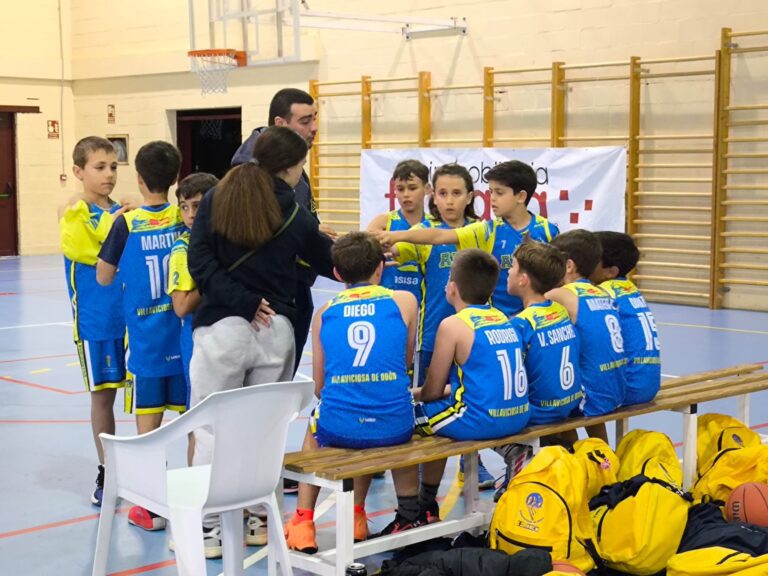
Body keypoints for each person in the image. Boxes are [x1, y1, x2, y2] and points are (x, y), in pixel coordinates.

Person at [188, 126, 335, 557]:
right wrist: (371, 253)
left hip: (222, 332)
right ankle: (256, 520)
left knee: (212, 432)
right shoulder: (295, 210)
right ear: (291, 167)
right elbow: (330, 261)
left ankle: (209, 529)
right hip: (277, 330)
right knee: (263, 433)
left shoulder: (218, 195)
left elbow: (200, 259)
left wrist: (240, 300)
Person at [285, 232, 418, 554]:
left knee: (319, 421)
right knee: (374, 405)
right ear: (381, 268)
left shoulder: (325, 312)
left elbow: (319, 386)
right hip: (395, 427)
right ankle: (357, 514)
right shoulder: (404, 301)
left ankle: (303, 521)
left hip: (340, 426)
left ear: (337, 274)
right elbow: (405, 360)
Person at [380, 249, 530, 534]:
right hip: (517, 414)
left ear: (452, 287)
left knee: (401, 420)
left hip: (479, 418)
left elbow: (433, 390)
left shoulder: (452, 325)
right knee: (438, 419)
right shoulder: (502, 317)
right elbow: (480, 380)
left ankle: (411, 511)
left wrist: (413, 396)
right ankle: (427, 503)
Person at [97, 141, 186, 531]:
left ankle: (151, 508)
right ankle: (199, 501)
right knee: (196, 423)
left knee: (148, 427)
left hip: (146, 343)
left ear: (138, 177)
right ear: (176, 178)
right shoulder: (185, 218)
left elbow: (103, 276)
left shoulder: (127, 222)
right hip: (183, 341)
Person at [232, 88, 337, 375]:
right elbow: (263, 239)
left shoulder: (292, 164)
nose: (314, 127)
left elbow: (294, 222)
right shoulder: (249, 173)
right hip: (265, 305)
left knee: (279, 390)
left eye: (314, 118)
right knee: (262, 397)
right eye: (305, 121)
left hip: (294, 291)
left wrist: (314, 230)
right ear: (280, 124)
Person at [377, 160, 559, 317]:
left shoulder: (548, 231)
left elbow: (557, 282)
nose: (492, 198)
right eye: (490, 192)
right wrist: (393, 236)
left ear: (521, 196)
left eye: (499, 193)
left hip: (534, 323)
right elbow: (440, 235)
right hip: (494, 325)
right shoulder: (487, 229)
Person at [58, 136, 130, 507]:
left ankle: (141, 472)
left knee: (145, 400)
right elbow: (94, 248)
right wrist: (119, 222)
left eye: (114, 166)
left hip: (132, 321)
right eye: (100, 167)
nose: (109, 175)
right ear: (78, 171)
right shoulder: (75, 213)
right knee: (104, 398)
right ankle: (107, 471)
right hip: (96, 323)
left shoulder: (121, 210)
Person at [493, 240, 583, 500]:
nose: (507, 272)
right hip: (567, 406)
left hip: (540, 414)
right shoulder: (560, 310)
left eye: (512, 267)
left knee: (481, 406)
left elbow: (508, 381)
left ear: (523, 280)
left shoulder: (520, 325)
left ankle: (516, 455)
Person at [546, 229, 628, 443]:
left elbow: (531, 312)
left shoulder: (560, 295)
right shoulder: (602, 292)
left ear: (568, 266)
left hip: (592, 397)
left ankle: (573, 463)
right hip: (616, 390)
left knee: (549, 398)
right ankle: (602, 460)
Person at [167, 172, 218, 464]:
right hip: (196, 341)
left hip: (228, 338)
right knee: (198, 423)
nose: (189, 214)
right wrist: (216, 276)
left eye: (197, 206)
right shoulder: (183, 249)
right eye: (184, 207)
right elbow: (182, 306)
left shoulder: (227, 241)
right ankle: (195, 493)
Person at [591, 231, 661, 405]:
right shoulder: (630, 288)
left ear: (610, 272)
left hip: (627, 388)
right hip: (649, 384)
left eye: (592, 259)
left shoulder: (602, 293)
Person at [366, 159, 430, 302]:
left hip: (423, 303)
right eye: (400, 189)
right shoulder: (383, 222)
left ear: (427, 189)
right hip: (387, 299)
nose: (406, 194)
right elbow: (364, 260)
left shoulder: (434, 225)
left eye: (412, 188)